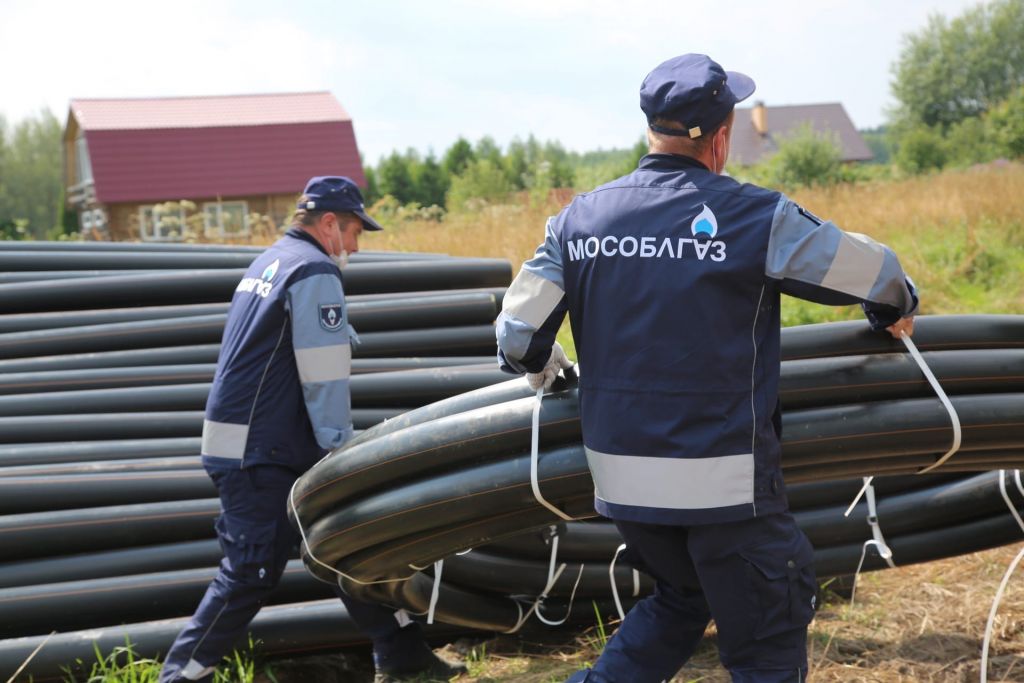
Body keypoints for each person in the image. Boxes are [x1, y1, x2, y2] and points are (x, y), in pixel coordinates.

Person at [495, 54, 918, 683]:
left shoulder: (578, 221)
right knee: (768, 642)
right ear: (721, 137)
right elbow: (877, 272)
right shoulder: (755, 217)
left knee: (680, 599)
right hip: (726, 490)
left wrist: (545, 364)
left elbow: (517, 334)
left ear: (651, 128)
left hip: (626, 486)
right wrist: (894, 308)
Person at [161, 176, 466, 683]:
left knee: (342, 549)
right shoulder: (314, 270)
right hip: (262, 454)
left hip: (253, 443)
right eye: (354, 232)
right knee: (250, 574)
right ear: (328, 223)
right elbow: (322, 373)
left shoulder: (272, 261)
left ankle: (404, 658)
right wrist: (341, 452)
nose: (356, 247)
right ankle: (179, 677)